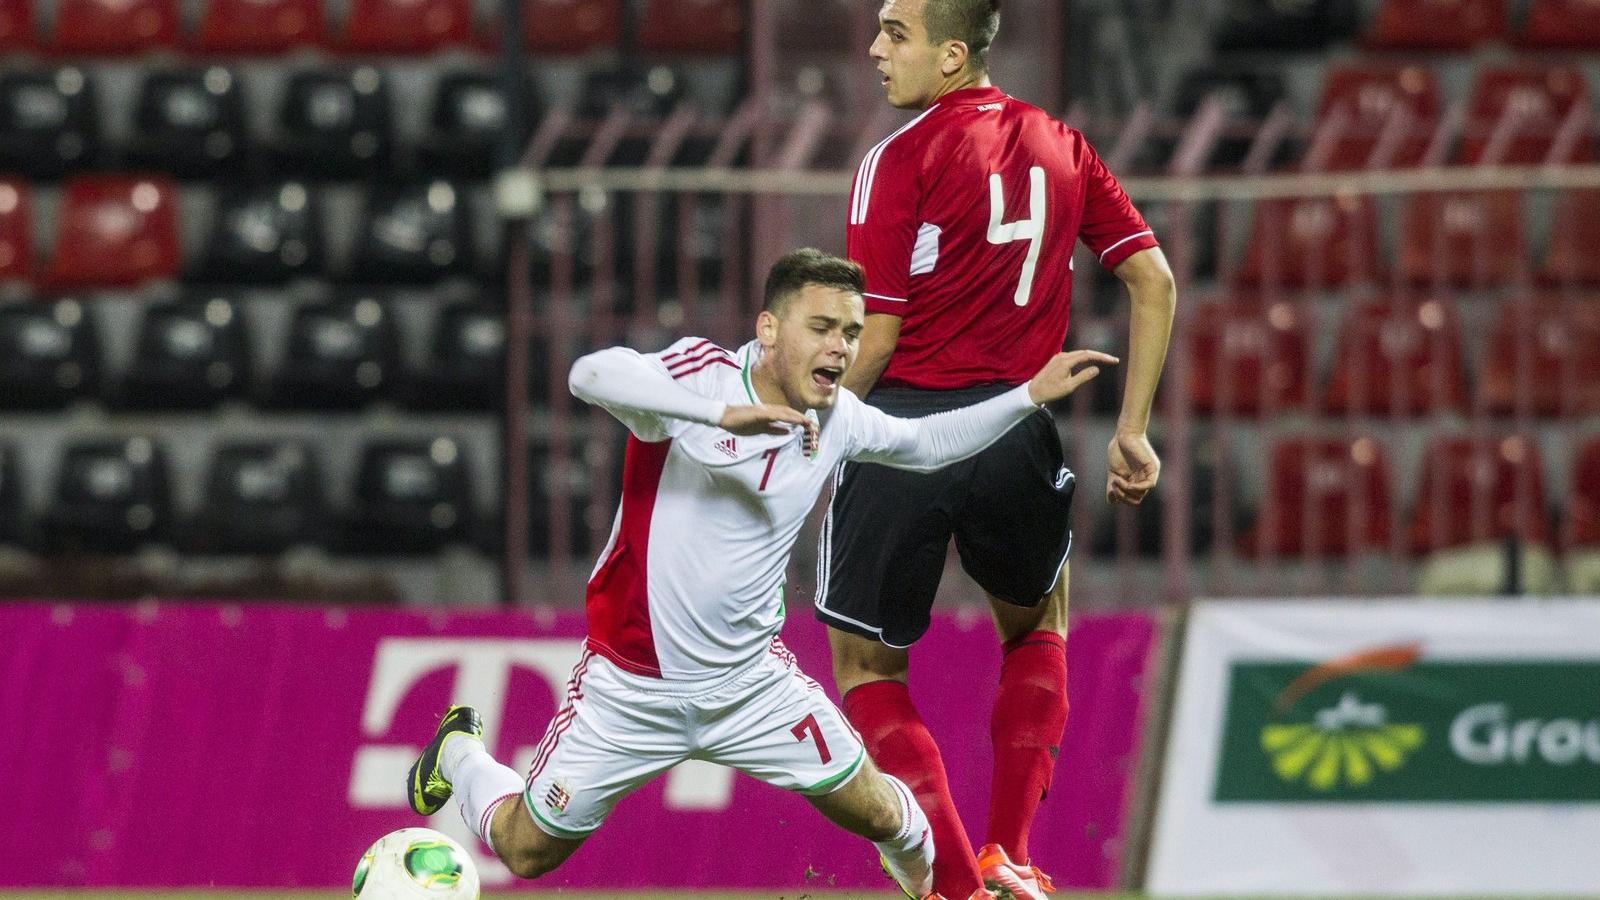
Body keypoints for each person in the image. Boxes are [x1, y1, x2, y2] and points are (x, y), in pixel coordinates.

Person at [404, 249, 1115, 900]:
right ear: (769, 329)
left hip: (753, 689)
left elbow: (926, 443)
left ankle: (940, 892)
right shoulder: (699, 377)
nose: (840, 346)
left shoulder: (837, 418)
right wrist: (721, 414)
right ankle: (462, 755)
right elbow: (586, 374)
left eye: (852, 331)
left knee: (886, 815)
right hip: (631, 689)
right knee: (526, 853)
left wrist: (1025, 396)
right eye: (823, 326)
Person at [816, 2, 1178, 898]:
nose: (874, 48)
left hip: (902, 433)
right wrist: (1132, 426)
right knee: (1039, 629)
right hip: (1017, 427)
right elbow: (1153, 277)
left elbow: (881, 333)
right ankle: (1009, 854)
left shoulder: (894, 162)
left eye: (894, 32)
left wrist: (807, 431)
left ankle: (953, 889)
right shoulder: (1063, 143)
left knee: (867, 666)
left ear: (949, 55)